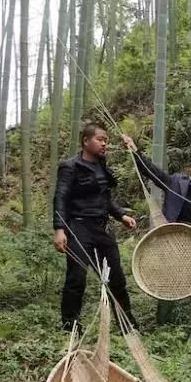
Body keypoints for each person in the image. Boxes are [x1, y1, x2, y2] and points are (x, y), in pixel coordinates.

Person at [121, 135, 191, 323]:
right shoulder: (176, 182)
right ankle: (163, 322)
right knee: (168, 279)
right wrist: (135, 151)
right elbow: (152, 173)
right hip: (173, 239)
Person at [52, 124, 138, 332]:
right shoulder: (70, 166)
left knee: (116, 277)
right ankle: (69, 324)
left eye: (106, 140)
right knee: (77, 278)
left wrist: (121, 215)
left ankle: (127, 324)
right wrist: (59, 229)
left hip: (102, 228)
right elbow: (60, 198)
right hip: (79, 227)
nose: (104, 144)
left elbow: (105, 199)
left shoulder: (101, 165)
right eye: (100, 139)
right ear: (85, 141)